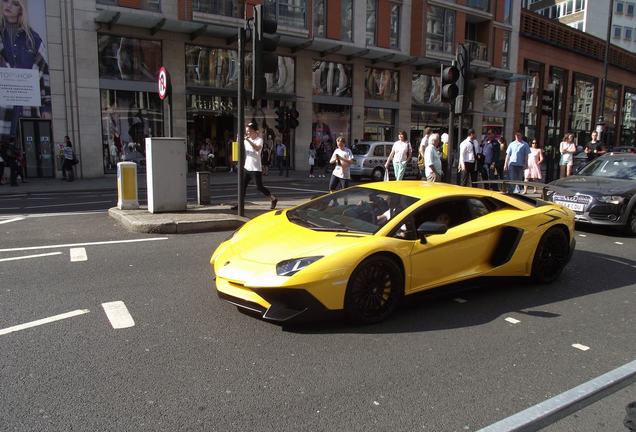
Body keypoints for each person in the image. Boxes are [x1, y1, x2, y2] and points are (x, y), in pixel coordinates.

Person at [0, 0, 52, 141]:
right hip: (2, 114)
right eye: (5, 1)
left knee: (30, 159)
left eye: (15, 3)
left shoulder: (34, 39)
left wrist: (46, 108)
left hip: (27, 113)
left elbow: (44, 75)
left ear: (21, 10)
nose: (9, 5)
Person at [242, 122, 277, 209]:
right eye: (247, 131)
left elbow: (257, 148)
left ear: (255, 132)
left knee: (259, 187)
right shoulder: (245, 141)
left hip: (255, 168)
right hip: (247, 167)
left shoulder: (259, 140)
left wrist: (248, 140)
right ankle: (240, 205)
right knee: (242, 186)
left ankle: (273, 199)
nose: (248, 133)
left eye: (249, 131)